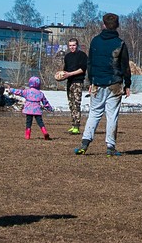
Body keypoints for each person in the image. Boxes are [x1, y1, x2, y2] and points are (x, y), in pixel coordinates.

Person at [74, 13, 131, 156]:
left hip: (97, 83)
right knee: (112, 115)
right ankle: (110, 147)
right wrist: (127, 84)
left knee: (94, 113)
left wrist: (90, 80)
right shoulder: (120, 43)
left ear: (103, 25)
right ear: (117, 25)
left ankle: (84, 143)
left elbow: (90, 63)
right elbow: (125, 66)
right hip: (115, 84)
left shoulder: (95, 41)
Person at [56, 38, 88, 134]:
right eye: (70, 45)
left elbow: (82, 69)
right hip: (69, 82)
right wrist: (61, 75)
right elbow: (66, 70)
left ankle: (77, 126)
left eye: (73, 45)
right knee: (71, 104)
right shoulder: (68, 56)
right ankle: (73, 124)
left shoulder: (82, 55)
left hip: (77, 82)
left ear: (77, 45)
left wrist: (70, 74)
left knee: (76, 104)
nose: (72, 47)